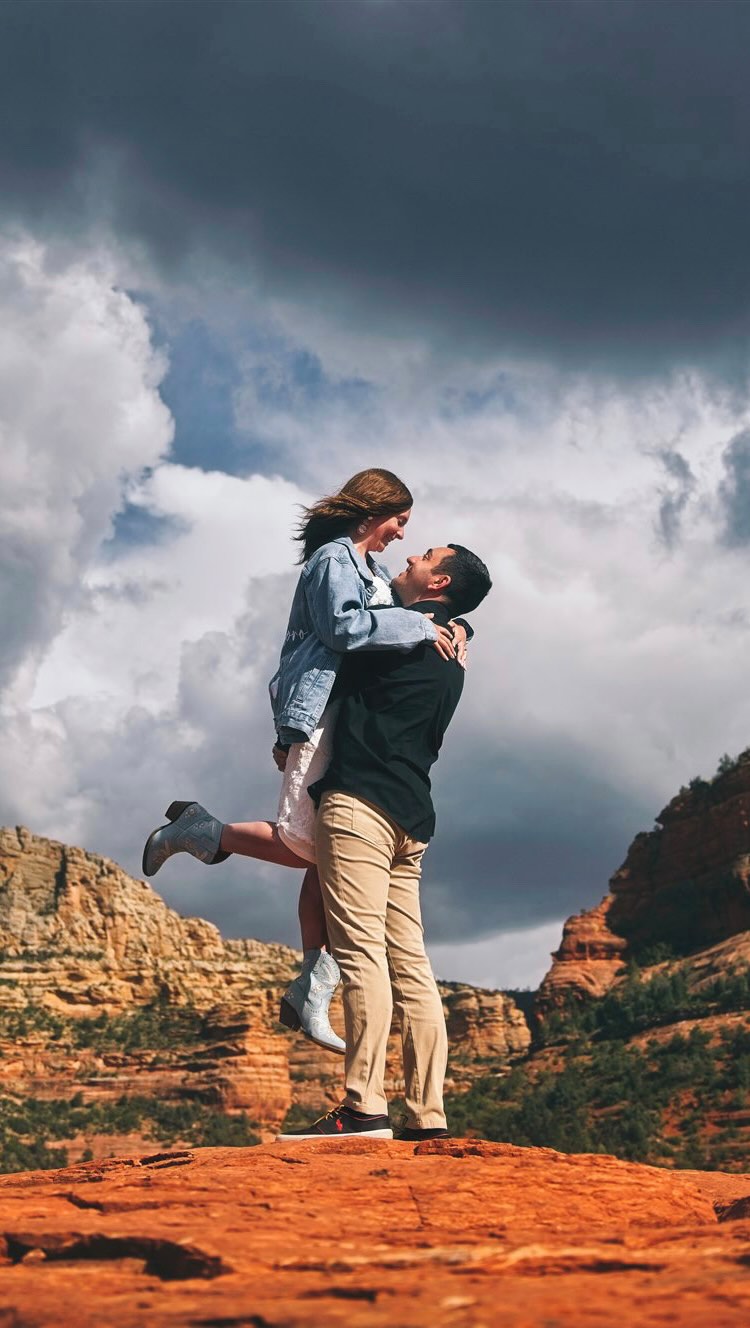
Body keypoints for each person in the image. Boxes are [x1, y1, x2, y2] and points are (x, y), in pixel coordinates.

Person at [141, 470, 467, 1055]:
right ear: (375, 509)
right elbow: (345, 628)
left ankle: (311, 983)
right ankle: (207, 834)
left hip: (345, 716)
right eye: (401, 521)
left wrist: (453, 622)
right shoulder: (333, 559)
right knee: (313, 846)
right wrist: (422, 624)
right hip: (319, 712)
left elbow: (410, 614)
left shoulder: (369, 571)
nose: (401, 535)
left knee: (327, 848)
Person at [277, 542, 492, 1141]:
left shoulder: (397, 639)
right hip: (412, 819)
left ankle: (364, 1108)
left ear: (438, 580)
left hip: (360, 807)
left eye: (423, 556)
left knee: (361, 955)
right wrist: (457, 622)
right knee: (413, 970)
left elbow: (338, 640)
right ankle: (428, 1116)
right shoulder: (451, 654)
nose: (410, 558)